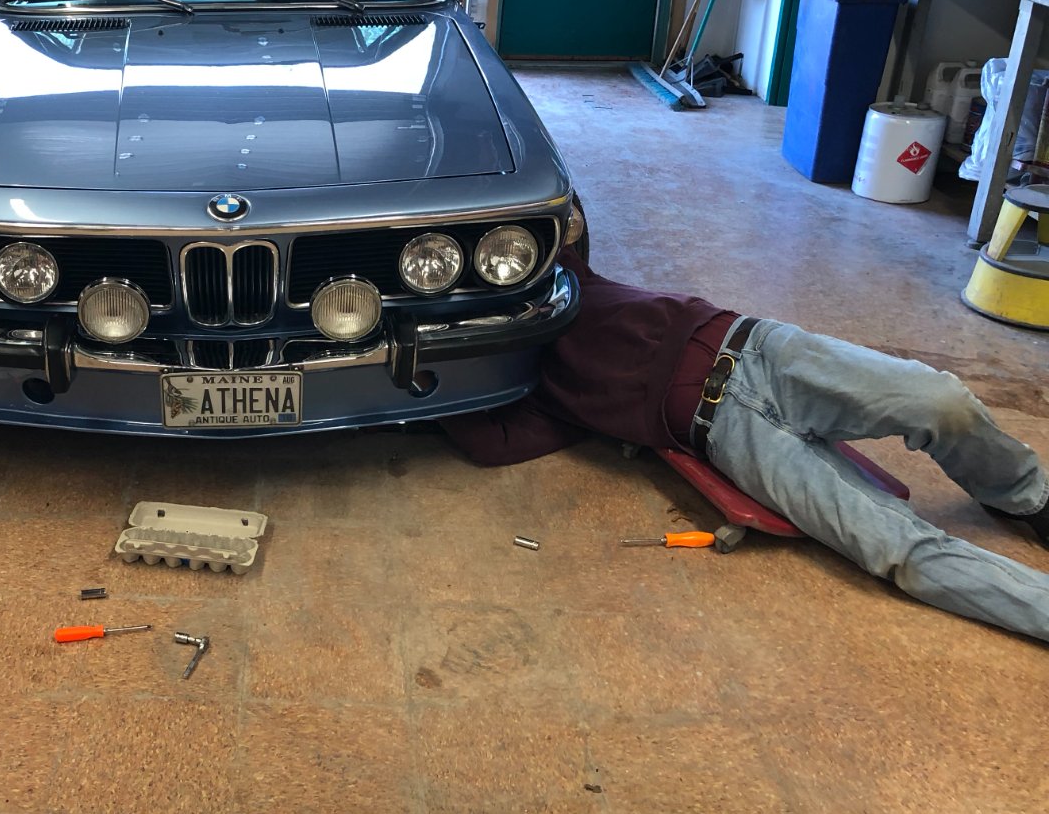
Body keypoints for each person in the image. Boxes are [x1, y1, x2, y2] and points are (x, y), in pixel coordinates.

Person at [441, 241, 1049, 642]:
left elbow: (546, 225)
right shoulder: (539, 395)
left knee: (942, 401)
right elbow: (492, 443)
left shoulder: (565, 282)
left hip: (765, 351)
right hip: (730, 438)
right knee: (896, 548)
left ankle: (1024, 497)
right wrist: (423, 383)